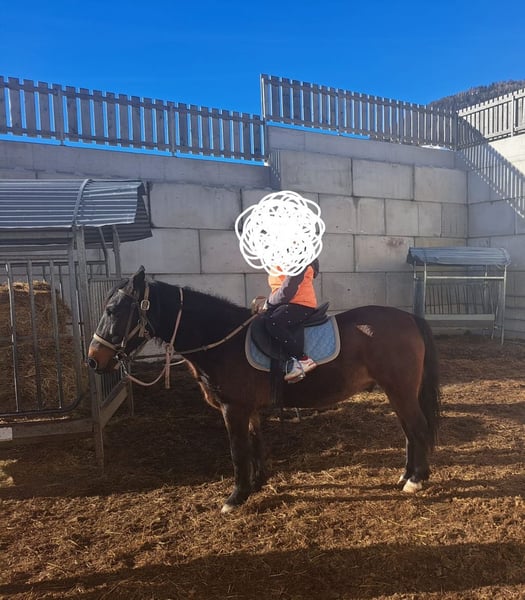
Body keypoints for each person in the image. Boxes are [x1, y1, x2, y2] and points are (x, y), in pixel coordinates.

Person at [262, 258, 319, 382]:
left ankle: (303, 360)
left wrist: (269, 303)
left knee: (273, 322)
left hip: (301, 304)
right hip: (287, 303)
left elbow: (288, 289)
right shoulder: (282, 256)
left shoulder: (298, 257)